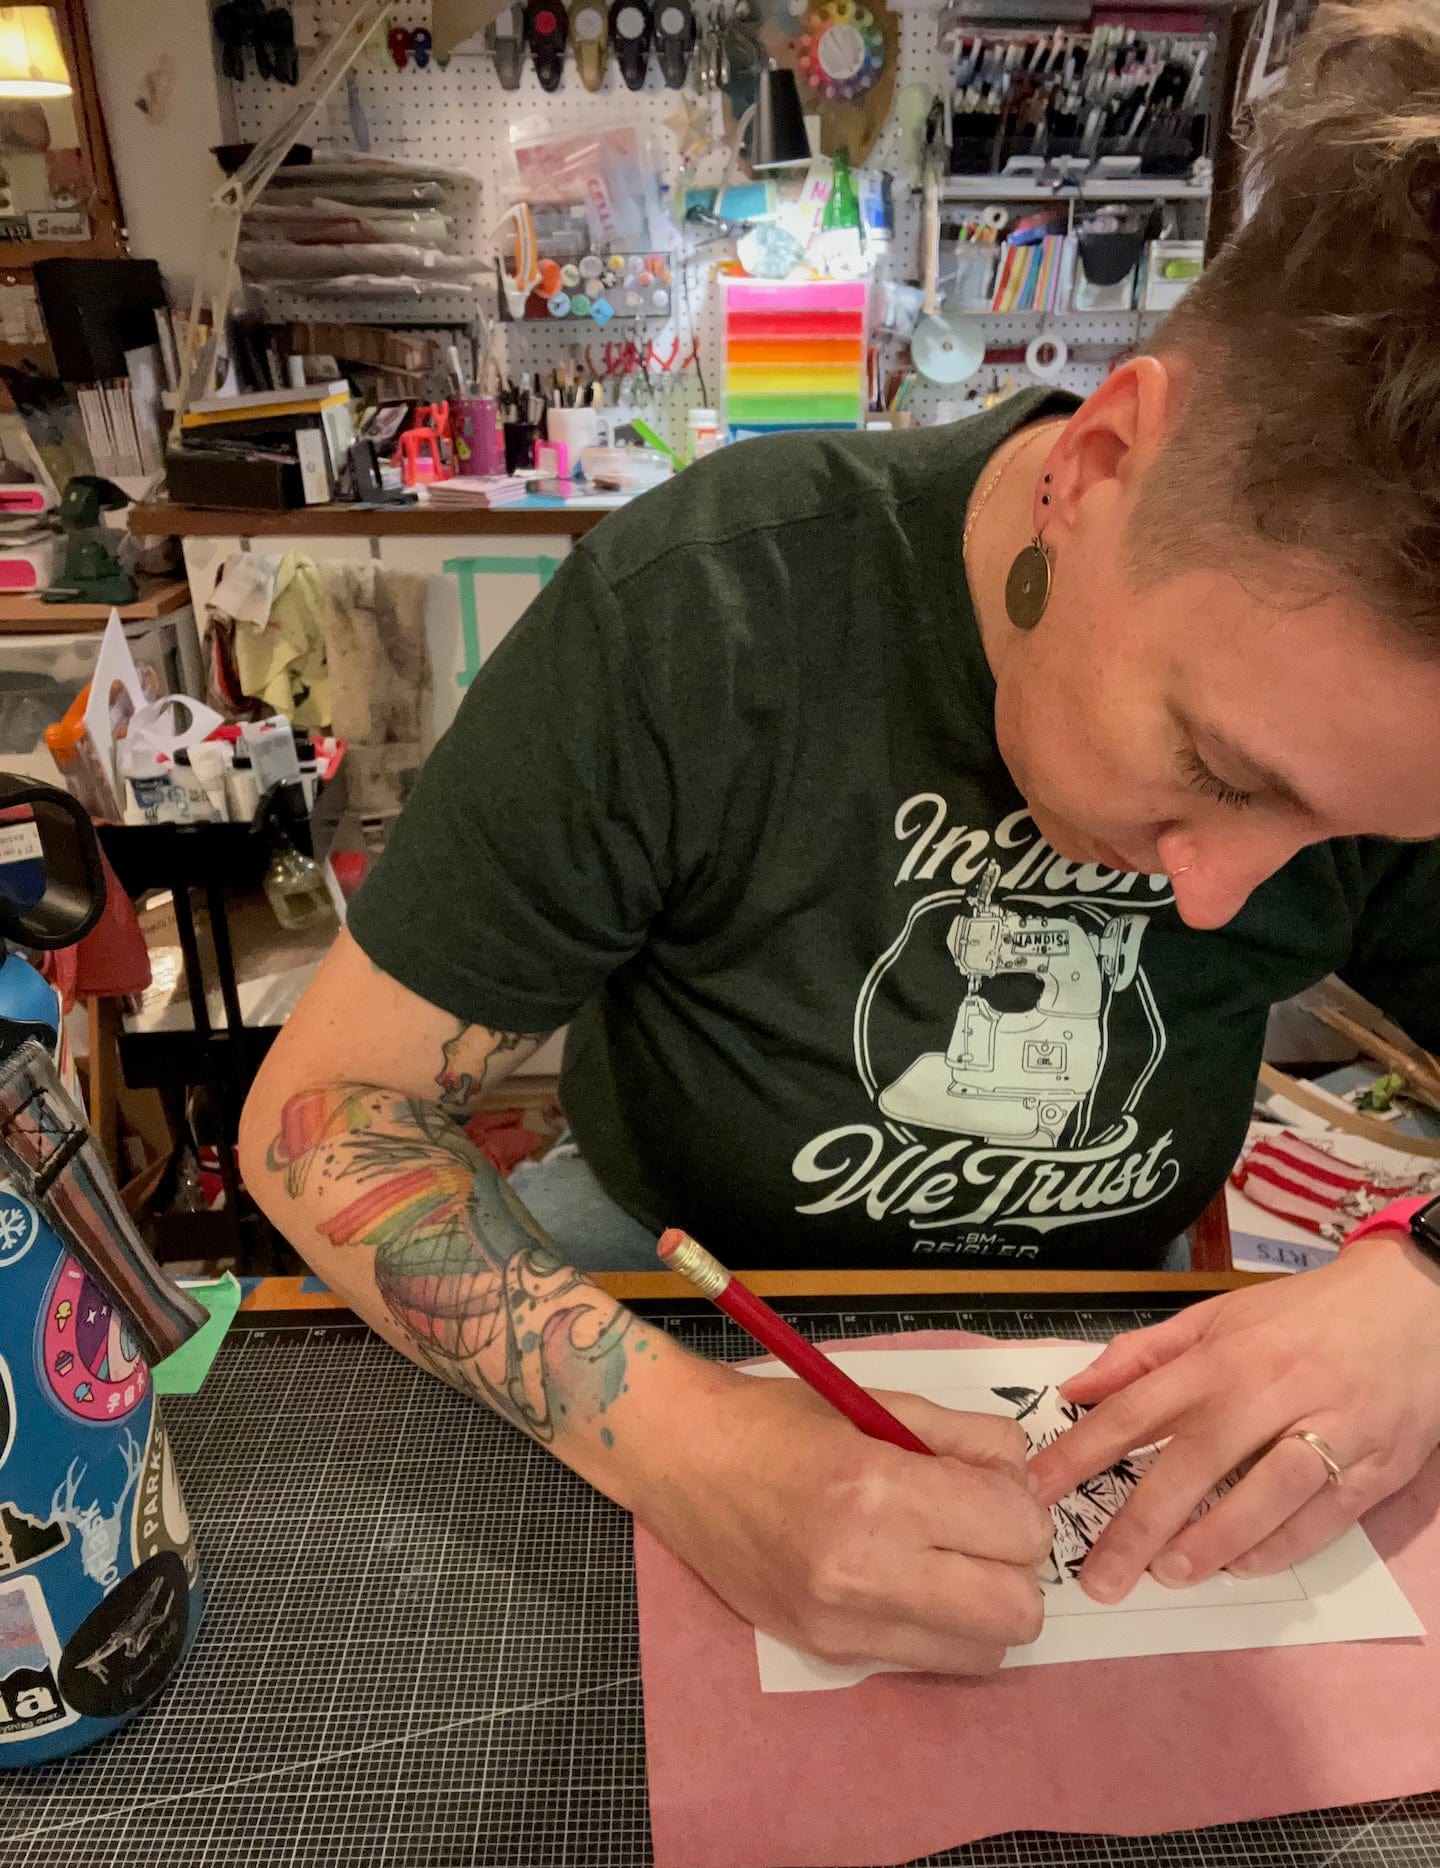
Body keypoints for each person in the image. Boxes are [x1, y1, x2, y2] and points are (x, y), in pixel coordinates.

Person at [240, 1, 1440, 1675]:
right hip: (664, 1284)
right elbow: (315, 1116)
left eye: (1356, 830)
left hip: (1098, 1337)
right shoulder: (711, 609)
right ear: (1097, 466)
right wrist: (692, 1450)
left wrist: (1426, 1291)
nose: (1229, 891)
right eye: (1217, 769)